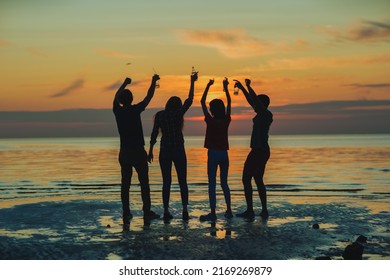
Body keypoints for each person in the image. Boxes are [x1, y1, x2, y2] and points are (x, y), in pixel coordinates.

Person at [148, 72, 198, 221]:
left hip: (164, 150)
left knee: (166, 182)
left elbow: (154, 134)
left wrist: (150, 150)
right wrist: (192, 82)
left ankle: (165, 210)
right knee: (183, 181)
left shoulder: (160, 115)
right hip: (178, 150)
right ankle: (184, 210)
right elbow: (189, 100)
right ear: (177, 106)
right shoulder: (178, 114)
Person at [113, 75, 160, 224]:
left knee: (125, 184)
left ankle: (126, 212)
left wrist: (124, 83)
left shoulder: (118, 111)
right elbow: (149, 96)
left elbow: (115, 96)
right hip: (138, 151)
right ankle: (146, 211)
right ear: (131, 99)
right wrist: (153, 81)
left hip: (125, 152)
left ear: (121, 101)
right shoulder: (134, 110)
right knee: (144, 183)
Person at [234, 79, 273, 219]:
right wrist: (243, 88)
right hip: (260, 150)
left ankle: (251, 210)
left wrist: (248, 86)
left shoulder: (266, 114)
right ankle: (263, 210)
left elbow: (254, 100)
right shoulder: (262, 113)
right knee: (257, 179)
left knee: (246, 179)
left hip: (259, 150)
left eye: (257, 103)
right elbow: (252, 101)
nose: (254, 105)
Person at [199, 78, 232, 221]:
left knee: (212, 183)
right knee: (224, 183)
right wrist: (226, 88)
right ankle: (229, 210)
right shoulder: (226, 120)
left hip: (213, 153)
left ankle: (213, 212)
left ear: (212, 110)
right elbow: (230, 102)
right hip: (224, 154)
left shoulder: (210, 121)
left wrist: (207, 86)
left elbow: (201, 102)